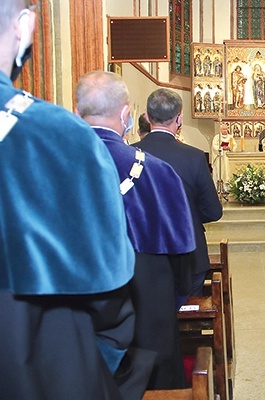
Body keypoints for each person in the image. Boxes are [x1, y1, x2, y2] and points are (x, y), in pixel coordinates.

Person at [0, 2, 147, 398]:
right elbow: (107, 285)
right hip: (45, 359)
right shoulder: (60, 136)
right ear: (26, 27)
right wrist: (96, 358)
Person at [75, 71, 197, 390]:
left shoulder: (45, 167)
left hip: (71, 321)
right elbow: (183, 251)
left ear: (76, 113)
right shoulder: (157, 172)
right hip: (149, 305)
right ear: (127, 114)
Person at [136, 88, 223, 305]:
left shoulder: (129, 153)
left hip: (142, 257)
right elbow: (213, 211)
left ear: (147, 116)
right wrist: (188, 215)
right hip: (189, 254)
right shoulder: (193, 157)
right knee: (188, 305)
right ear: (180, 118)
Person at [212, 123, 237, 187]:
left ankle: (227, 188)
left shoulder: (230, 137)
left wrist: (229, 147)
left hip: (228, 156)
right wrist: (222, 148)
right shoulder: (217, 137)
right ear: (220, 130)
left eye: (226, 129)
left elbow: (234, 145)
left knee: (227, 172)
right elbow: (214, 146)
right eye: (223, 129)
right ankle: (219, 187)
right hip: (220, 157)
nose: (225, 130)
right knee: (220, 172)